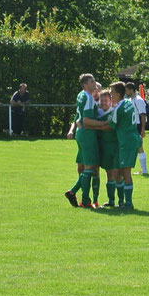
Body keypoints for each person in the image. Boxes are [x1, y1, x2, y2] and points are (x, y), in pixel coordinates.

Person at [98, 81, 142, 209]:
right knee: (120, 171)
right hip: (133, 138)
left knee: (125, 172)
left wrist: (92, 125)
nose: (110, 94)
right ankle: (122, 202)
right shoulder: (129, 102)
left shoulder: (118, 109)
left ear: (117, 93)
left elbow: (111, 126)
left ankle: (128, 203)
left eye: (111, 92)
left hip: (126, 141)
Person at [64, 74, 103, 209]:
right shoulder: (88, 98)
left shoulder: (81, 94)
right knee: (90, 168)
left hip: (81, 134)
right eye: (92, 81)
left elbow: (78, 118)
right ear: (85, 85)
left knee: (86, 168)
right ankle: (84, 200)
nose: (95, 83)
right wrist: (105, 123)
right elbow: (86, 120)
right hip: (87, 134)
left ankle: (78, 195)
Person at [96, 90, 121, 207]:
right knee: (108, 173)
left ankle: (121, 201)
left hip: (115, 147)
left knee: (117, 173)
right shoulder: (97, 113)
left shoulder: (114, 112)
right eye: (102, 100)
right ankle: (111, 200)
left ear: (111, 101)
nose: (104, 103)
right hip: (104, 147)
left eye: (106, 100)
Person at [125, 82, 148, 175]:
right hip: (132, 126)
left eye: (127, 90)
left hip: (137, 126)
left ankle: (144, 170)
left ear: (131, 90)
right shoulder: (130, 99)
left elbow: (143, 114)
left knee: (139, 147)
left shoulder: (138, 100)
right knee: (135, 147)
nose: (126, 92)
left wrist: (142, 129)